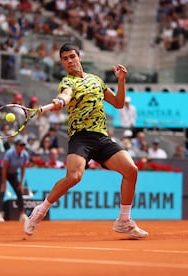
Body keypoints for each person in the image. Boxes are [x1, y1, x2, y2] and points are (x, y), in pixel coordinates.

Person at [24, 42, 148, 238]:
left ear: (79, 57)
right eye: (65, 59)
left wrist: (121, 81)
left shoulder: (96, 80)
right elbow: (66, 94)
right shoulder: (67, 82)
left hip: (101, 136)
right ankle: (40, 211)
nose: (69, 61)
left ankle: (124, 221)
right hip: (80, 137)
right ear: (62, 64)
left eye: (72, 57)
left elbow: (118, 103)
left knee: (131, 170)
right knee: (74, 177)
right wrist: (61, 100)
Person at [0, 139, 29, 222]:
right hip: (3, 172)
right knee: (2, 191)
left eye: (23, 145)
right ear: (16, 146)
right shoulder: (9, 153)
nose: (22, 147)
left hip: (13, 174)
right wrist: (3, 182)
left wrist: (21, 183)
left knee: (19, 192)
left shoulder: (25, 155)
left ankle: (22, 214)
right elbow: (4, 168)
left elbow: (23, 168)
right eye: (20, 145)